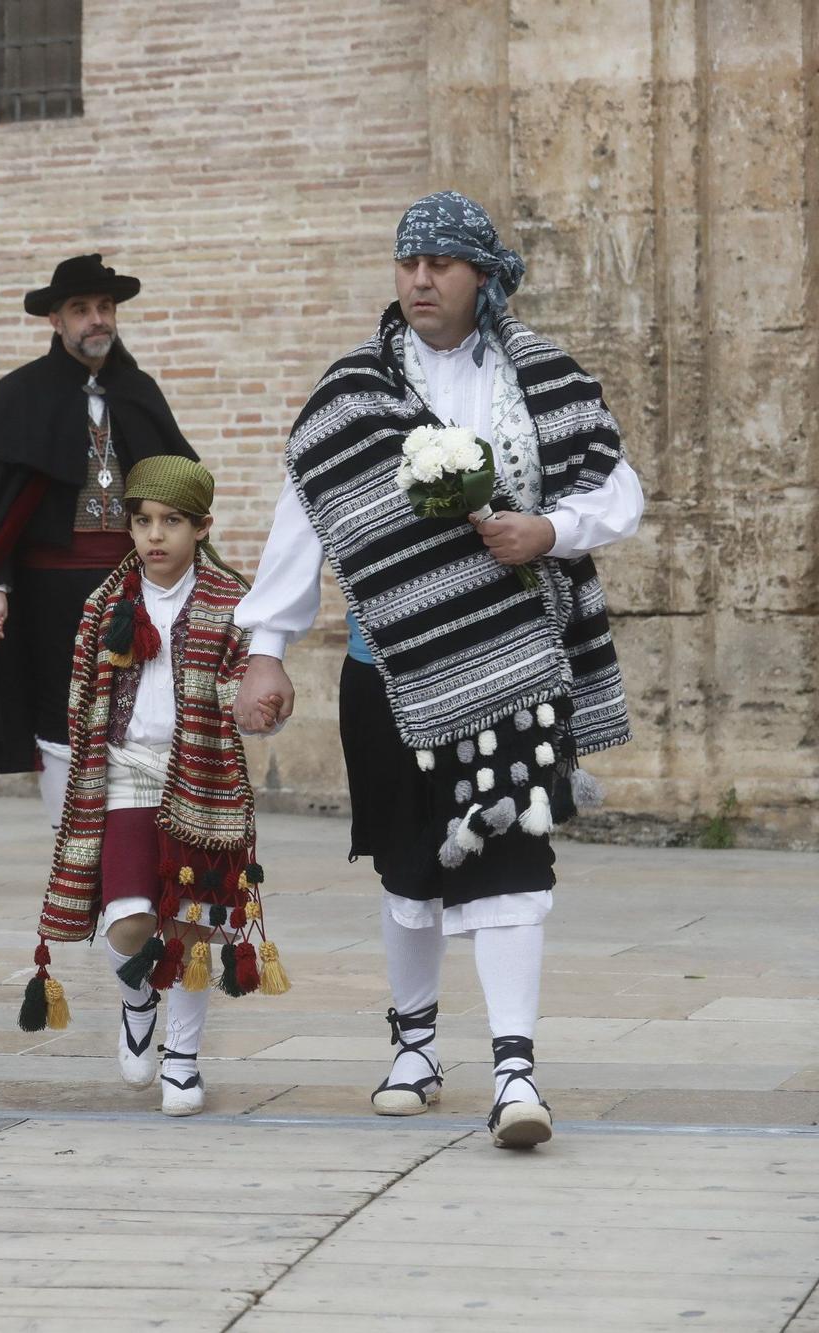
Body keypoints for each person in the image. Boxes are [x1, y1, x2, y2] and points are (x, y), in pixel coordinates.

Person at [233, 192, 644, 1149]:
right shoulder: (351, 396)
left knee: (509, 856)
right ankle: (414, 1045)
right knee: (409, 870)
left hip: (515, 669)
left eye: (443, 264)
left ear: (485, 277)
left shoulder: (545, 378)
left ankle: (515, 1071)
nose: (421, 279)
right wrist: (265, 651)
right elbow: (304, 523)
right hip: (391, 673)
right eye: (408, 262)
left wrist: (550, 529)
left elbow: (617, 489)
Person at [25, 457, 286, 1116]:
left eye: (172, 521)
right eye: (143, 521)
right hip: (124, 773)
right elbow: (83, 697)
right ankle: (138, 997)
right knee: (130, 920)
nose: (155, 535)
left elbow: (240, 687)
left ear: (202, 526)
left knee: (191, 927)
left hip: (201, 773)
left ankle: (183, 1059)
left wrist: (256, 706)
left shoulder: (235, 603)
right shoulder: (106, 603)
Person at [0, 254, 198, 828]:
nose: (96, 320)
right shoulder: (19, 398)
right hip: (49, 593)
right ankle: (73, 849)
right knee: (61, 719)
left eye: (104, 308)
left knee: (142, 710)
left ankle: (140, 841)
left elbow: (178, 494)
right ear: (55, 321)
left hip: (136, 585)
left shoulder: (140, 392)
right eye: (81, 310)